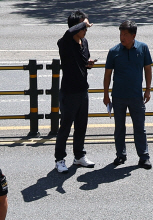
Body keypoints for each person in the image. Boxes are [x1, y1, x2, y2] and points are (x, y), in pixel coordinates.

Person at [103, 21, 153, 169]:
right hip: (118, 96)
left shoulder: (143, 48)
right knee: (119, 128)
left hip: (136, 96)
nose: (122, 37)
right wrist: (106, 95)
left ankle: (144, 157)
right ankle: (120, 155)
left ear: (133, 36)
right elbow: (107, 74)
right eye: (121, 34)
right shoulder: (114, 51)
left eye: (125, 34)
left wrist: (148, 89)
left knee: (140, 128)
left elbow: (148, 69)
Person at [54, 11, 96, 174]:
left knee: (81, 126)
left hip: (82, 90)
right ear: (75, 26)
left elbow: (82, 62)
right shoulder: (65, 42)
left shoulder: (84, 42)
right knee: (65, 127)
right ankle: (59, 159)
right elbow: (69, 32)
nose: (86, 30)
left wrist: (88, 64)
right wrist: (84, 23)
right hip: (69, 92)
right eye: (83, 27)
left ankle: (79, 156)